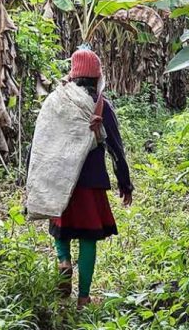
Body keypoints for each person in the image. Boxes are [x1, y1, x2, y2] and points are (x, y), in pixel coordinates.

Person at [50, 49, 134, 310]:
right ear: (97, 76)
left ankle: (63, 261)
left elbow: (42, 140)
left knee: (60, 228)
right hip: (91, 181)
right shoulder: (100, 104)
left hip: (61, 178)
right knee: (88, 238)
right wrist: (125, 182)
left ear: (73, 74)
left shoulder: (58, 100)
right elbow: (116, 147)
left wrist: (34, 181)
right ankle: (83, 298)